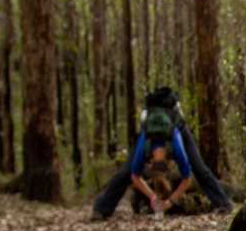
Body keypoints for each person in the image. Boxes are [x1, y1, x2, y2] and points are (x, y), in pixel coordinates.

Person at [91, 87, 232, 220]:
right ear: (150, 159)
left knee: (199, 167)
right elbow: (134, 175)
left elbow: (187, 178)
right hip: (150, 129)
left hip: (178, 128)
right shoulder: (144, 144)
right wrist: (152, 197)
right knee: (125, 172)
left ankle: (223, 204)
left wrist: (170, 201)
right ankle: (101, 209)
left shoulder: (177, 146)